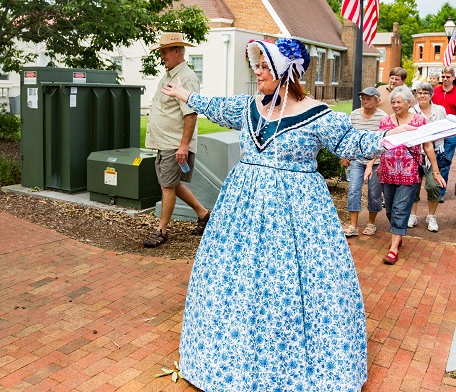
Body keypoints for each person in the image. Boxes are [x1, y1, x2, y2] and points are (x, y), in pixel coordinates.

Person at [159, 38, 416, 390]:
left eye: (264, 67)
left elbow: (352, 143)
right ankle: (229, 360)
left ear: (285, 71)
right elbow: (215, 105)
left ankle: (294, 366)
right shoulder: (249, 107)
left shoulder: (317, 113)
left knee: (291, 282)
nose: (257, 72)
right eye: (257, 66)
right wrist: (186, 96)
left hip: (298, 214)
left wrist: (393, 136)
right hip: (242, 213)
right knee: (239, 279)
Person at [142, 32, 210, 248]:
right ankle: (204, 214)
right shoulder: (170, 74)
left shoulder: (185, 77)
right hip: (165, 142)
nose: (162, 56)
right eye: (161, 52)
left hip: (175, 144)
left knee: (167, 187)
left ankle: (161, 230)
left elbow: (190, 114)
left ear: (177, 51)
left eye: (164, 52)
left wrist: (183, 146)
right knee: (171, 183)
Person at [378, 86, 446, 264]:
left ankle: (393, 248)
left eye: (399, 102)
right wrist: (371, 165)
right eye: (393, 102)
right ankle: (397, 235)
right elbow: (379, 146)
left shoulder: (419, 121)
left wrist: (436, 171)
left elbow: (428, 146)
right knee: (390, 210)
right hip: (387, 172)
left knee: (400, 209)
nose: (395, 105)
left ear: (409, 102)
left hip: (409, 173)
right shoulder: (385, 121)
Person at [342, 86, 386, 237]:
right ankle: (353, 225)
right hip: (357, 160)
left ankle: (371, 223)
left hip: (376, 162)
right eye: (363, 98)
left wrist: (373, 160)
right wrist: (344, 155)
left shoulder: (383, 117)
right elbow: (348, 137)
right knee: (354, 190)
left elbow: (383, 142)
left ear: (377, 101)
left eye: (369, 99)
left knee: (374, 193)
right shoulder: (354, 115)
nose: (365, 101)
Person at [408, 81, 447, 232]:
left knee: (433, 185)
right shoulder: (412, 110)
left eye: (425, 93)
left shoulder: (440, 110)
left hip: (434, 152)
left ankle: (432, 216)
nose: (422, 95)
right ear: (415, 95)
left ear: (431, 95)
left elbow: (444, 130)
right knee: (413, 186)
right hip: (415, 153)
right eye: (419, 93)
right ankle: (413, 215)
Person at [432, 65, 456, 201]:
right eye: (443, 77)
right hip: (435, 132)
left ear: (454, 78)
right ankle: (432, 188)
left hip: (451, 133)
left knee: (445, 162)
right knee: (432, 161)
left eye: (448, 77)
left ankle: (440, 192)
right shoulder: (435, 92)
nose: (445, 79)